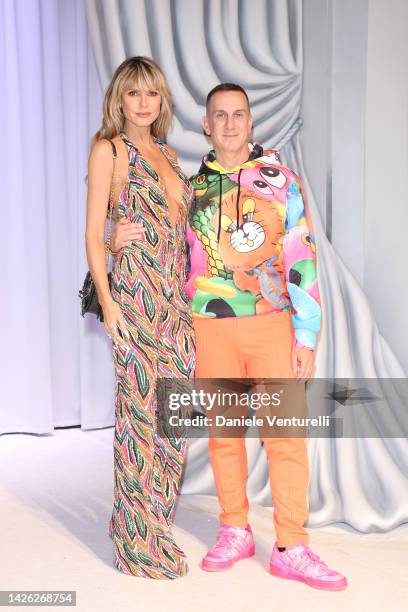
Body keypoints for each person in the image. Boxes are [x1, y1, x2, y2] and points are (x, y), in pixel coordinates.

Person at [111, 82, 348, 591]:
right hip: (209, 329)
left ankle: (292, 544)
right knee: (224, 437)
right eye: (219, 116)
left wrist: (305, 336)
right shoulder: (189, 188)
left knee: (285, 437)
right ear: (206, 125)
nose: (230, 124)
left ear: (250, 122)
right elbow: (158, 249)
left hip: (271, 324)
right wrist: (113, 238)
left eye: (238, 114)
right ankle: (234, 528)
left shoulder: (281, 180)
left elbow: (300, 258)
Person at [85, 56, 195, 579]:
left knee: (176, 422)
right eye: (134, 94)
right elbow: (93, 233)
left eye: (152, 94)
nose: (144, 103)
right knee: (138, 423)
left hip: (177, 307)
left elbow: (178, 234)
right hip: (134, 303)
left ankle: (155, 522)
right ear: (119, 100)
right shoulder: (109, 149)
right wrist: (108, 305)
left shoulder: (170, 154)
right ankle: (135, 542)